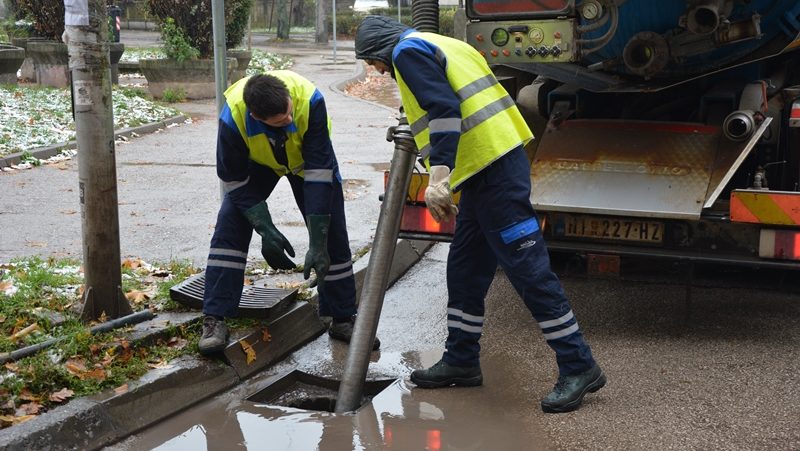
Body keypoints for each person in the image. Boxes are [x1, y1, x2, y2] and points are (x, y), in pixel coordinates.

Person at [354, 16, 605, 413]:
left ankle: (579, 365)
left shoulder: (406, 53)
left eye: (374, 63)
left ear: (380, 49)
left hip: (494, 173)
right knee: (465, 268)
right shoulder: (444, 43)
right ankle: (462, 359)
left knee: (529, 271)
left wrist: (439, 174)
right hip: (484, 171)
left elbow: (444, 108)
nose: (378, 71)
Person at [198, 70, 379, 355]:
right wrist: (265, 228)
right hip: (257, 166)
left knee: (331, 230)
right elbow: (232, 176)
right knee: (230, 225)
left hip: (308, 163)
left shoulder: (309, 100)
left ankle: (343, 318)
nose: (290, 121)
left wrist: (318, 241)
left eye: (289, 112)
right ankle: (214, 318)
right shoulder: (233, 117)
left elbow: (320, 171)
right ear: (257, 118)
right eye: (281, 121)